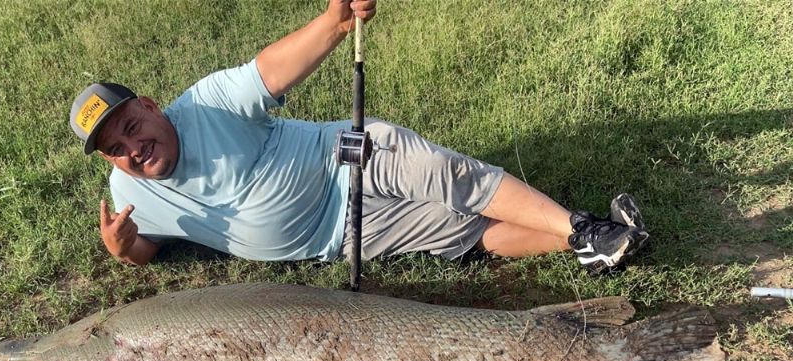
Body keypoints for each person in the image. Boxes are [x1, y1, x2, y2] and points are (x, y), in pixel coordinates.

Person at [68, 0, 648, 275]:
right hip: (340, 240)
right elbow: (147, 250)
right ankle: (597, 241)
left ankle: (579, 225)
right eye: (115, 149)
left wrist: (335, 24)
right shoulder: (130, 198)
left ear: (148, 106)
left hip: (343, 160)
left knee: (444, 176)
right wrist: (124, 251)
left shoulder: (206, 101)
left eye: (131, 126)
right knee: (460, 235)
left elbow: (272, 67)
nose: (132, 148)